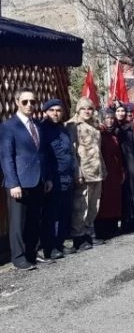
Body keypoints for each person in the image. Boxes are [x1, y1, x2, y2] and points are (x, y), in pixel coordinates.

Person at [0, 88, 53, 270]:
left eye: (32, 101)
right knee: (18, 223)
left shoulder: (37, 125)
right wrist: (13, 183)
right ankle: (19, 257)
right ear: (16, 102)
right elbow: (6, 157)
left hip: (37, 180)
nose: (29, 105)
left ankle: (32, 253)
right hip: (19, 183)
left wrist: (46, 178)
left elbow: (42, 154)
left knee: (33, 220)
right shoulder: (9, 126)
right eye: (25, 102)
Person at [66, 97, 107, 249]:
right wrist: (78, 172)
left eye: (89, 108)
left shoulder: (94, 125)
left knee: (93, 205)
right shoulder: (72, 125)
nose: (87, 111)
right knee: (80, 205)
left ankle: (89, 233)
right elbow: (72, 151)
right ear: (78, 110)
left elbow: (98, 149)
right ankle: (78, 236)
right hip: (83, 171)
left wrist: (103, 168)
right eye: (83, 109)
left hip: (96, 170)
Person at [40, 99, 76, 258]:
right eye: (52, 110)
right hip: (53, 178)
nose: (55, 113)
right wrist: (47, 177)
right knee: (51, 214)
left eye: (58, 110)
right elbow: (44, 156)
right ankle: (50, 246)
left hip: (67, 177)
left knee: (63, 213)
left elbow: (69, 153)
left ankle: (59, 243)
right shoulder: (42, 129)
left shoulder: (63, 129)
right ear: (46, 112)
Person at [115, 103, 134, 229]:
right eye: (118, 111)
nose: (121, 113)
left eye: (123, 111)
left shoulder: (130, 127)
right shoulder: (111, 127)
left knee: (131, 190)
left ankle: (131, 218)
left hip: (129, 161)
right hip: (116, 162)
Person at [96, 108, 124, 236]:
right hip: (104, 169)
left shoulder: (114, 134)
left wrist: (122, 170)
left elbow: (118, 154)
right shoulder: (99, 133)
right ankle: (102, 228)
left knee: (114, 198)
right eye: (107, 118)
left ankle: (113, 225)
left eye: (112, 118)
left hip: (114, 169)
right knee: (104, 200)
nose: (110, 120)